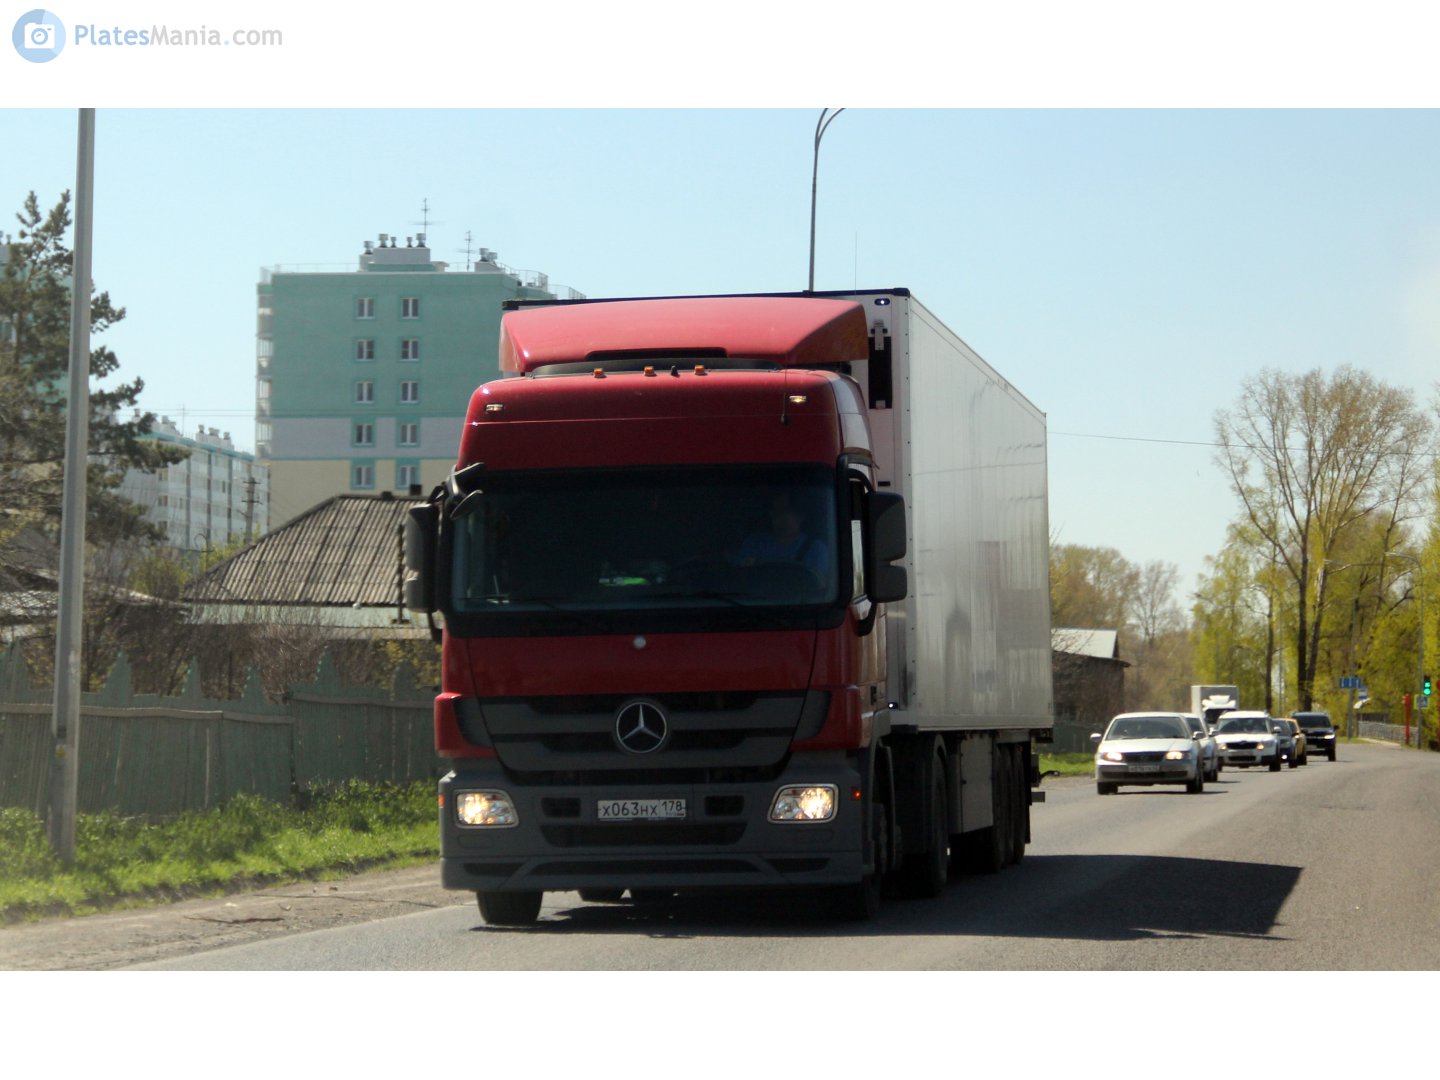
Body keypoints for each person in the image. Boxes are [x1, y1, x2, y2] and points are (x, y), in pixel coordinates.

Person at [736, 492, 829, 580]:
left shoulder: (816, 549)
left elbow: (820, 586)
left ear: (800, 516)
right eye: (775, 511)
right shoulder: (754, 543)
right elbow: (740, 577)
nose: (778, 517)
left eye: (784, 511)